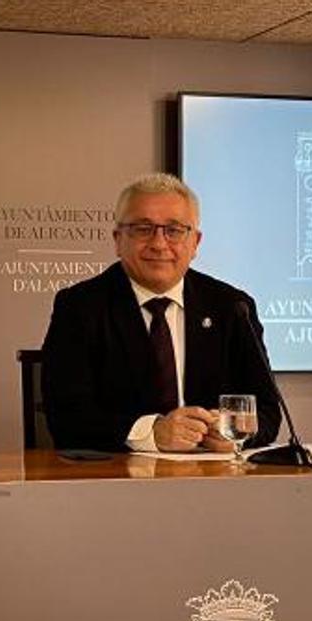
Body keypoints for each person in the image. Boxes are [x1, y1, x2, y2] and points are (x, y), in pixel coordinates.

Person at [41, 173, 280, 453]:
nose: (158, 243)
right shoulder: (80, 307)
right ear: (118, 239)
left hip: (214, 482)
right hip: (117, 482)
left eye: (174, 230)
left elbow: (268, 413)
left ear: (196, 243)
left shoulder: (232, 307)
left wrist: (236, 433)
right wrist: (150, 433)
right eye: (143, 229)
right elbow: (66, 417)